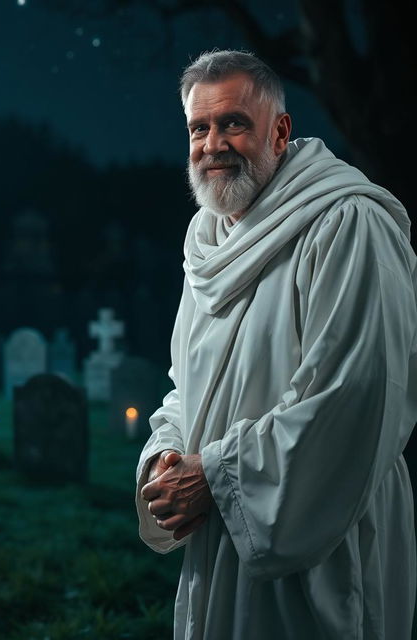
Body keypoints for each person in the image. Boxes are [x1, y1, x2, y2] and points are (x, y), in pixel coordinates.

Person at [136, 49, 417, 640]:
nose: (212, 144)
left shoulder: (345, 223)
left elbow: (354, 396)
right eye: (198, 127)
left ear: (280, 130)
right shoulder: (208, 236)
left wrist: (213, 473)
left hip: (319, 529)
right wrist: (169, 453)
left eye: (233, 123)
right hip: (225, 527)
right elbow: (188, 384)